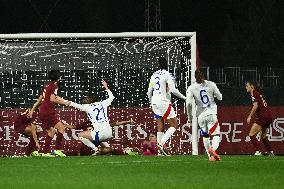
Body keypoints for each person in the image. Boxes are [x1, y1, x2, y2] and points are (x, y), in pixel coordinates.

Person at [147, 57, 186, 156]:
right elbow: (173, 90)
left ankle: (159, 152)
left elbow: (148, 92)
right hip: (163, 101)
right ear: (166, 64)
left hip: (154, 102)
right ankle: (160, 144)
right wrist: (185, 98)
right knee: (174, 125)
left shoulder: (153, 75)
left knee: (160, 126)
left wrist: (151, 102)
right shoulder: (167, 74)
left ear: (158, 65)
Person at [66, 80, 115, 155]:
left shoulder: (87, 107)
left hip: (100, 134)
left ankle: (96, 149)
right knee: (97, 139)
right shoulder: (103, 103)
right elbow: (112, 97)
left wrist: (68, 102)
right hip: (109, 133)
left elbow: (75, 105)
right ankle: (107, 150)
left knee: (80, 135)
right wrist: (106, 87)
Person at [28, 70, 70, 157]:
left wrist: (64, 101)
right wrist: (64, 103)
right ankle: (57, 150)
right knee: (61, 128)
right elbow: (52, 99)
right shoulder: (53, 86)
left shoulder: (48, 86)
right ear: (58, 78)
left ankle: (44, 152)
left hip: (43, 111)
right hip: (47, 112)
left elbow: (54, 97)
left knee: (51, 131)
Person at [186, 70, 222, 161]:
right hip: (211, 113)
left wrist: (190, 117)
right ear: (204, 75)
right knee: (216, 134)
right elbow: (220, 97)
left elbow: (189, 104)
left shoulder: (191, 88)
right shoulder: (211, 84)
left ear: (195, 77)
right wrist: (213, 95)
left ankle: (210, 157)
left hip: (200, 116)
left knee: (205, 136)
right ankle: (212, 149)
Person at [245, 81, 274, 155]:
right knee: (263, 136)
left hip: (263, 116)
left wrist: (249, 116)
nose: (246, 87)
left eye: (247, 86)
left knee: (251, 134)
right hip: (269, 116)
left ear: (252, 86)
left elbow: (255, 106)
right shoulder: (258, 93)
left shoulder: (253, 93)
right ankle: (271, 152)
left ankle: (259, 151)